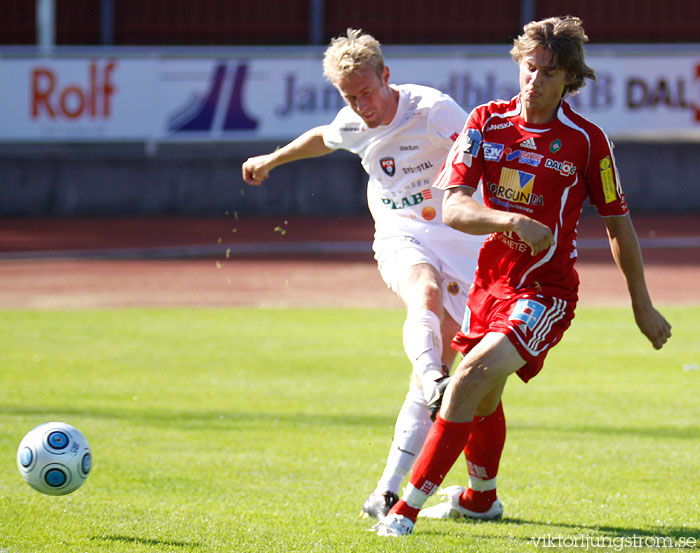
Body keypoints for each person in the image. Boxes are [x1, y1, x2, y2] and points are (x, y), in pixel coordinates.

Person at [373, 15, 672, 537]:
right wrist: (509, 220)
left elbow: (619, 226)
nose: (534, 82)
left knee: (467, 381)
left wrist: (642, 306)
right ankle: (478, 500)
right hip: (489, 283)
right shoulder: (487, 122)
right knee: (485, 398)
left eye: (549, 74)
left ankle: (402, 513)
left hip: (545, 292)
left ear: (569, 80)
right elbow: (455, 209)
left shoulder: (588, 142)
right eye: (529, 69)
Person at [241, 29, 485, 520]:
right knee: (425, 292)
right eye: (349, 98)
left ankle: (387, 490)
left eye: (366, 93)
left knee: (427, 376)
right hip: (400, 231)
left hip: (460, 241)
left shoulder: (433, 109)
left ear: (386, 76)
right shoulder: (353, 122)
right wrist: (271, 159)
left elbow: (480, 154)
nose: (361, 106)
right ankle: (435, 375)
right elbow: (322, 138)